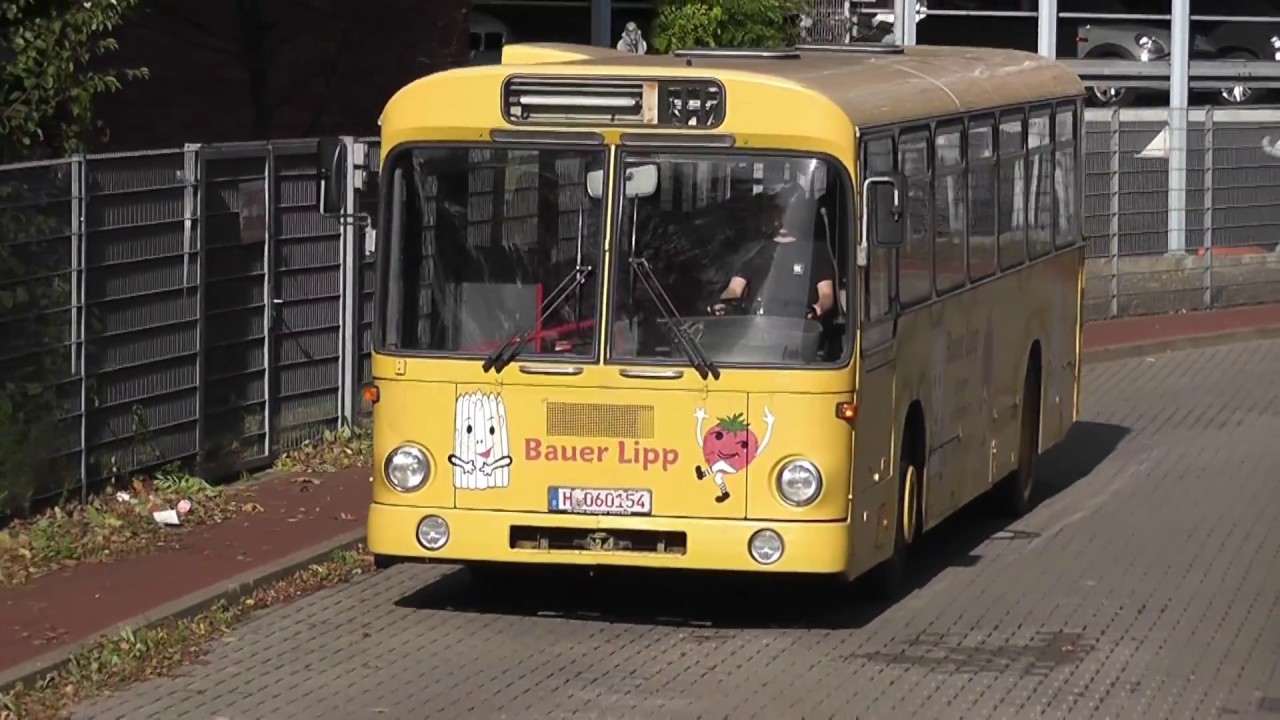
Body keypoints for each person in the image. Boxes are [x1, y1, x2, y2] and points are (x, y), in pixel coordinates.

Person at [709, 192, 836, 321]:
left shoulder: (816, 251)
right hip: (757, 328)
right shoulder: (755, 249)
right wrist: (725, 304)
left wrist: (817, 308)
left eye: (790, 214)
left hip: (800, 329)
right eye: (780, 213)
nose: (784, 219)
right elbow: (734, 289)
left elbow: (827, 294)